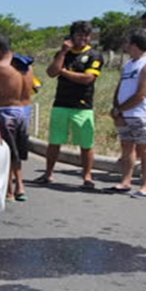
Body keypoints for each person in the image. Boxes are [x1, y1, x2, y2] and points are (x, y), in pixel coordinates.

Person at [34, 21, 104, 189]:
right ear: (71, 36)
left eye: (86, 35)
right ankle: (48, 173)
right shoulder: (63, 54)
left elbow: (87, 79)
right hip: (61, 103)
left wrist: (64, 72)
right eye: (79, 35)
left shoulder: (94, 55)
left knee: (86, 144)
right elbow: (51, 72)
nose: (83, 38)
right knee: (54, 141)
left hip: (83, 106)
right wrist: (64, 52)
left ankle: (87, 177)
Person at [108, 28, 146, 198]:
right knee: (127, 147)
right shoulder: (129, 63)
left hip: (142, 114)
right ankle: (125, 182)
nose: (125, 45)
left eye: (127, 42)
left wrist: (121, 109)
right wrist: (116, 108)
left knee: (145, 149)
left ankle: (145, 186)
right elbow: (120, 87)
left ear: (135, 44)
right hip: (124, 113)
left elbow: (141, 94)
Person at [0, 35, 34, 202]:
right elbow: (35, 87)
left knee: (7, 151)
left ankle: (9, 191)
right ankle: (20, 185)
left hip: (7, 111)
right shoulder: (27, 65)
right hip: (25, 110)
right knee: (19, 152)